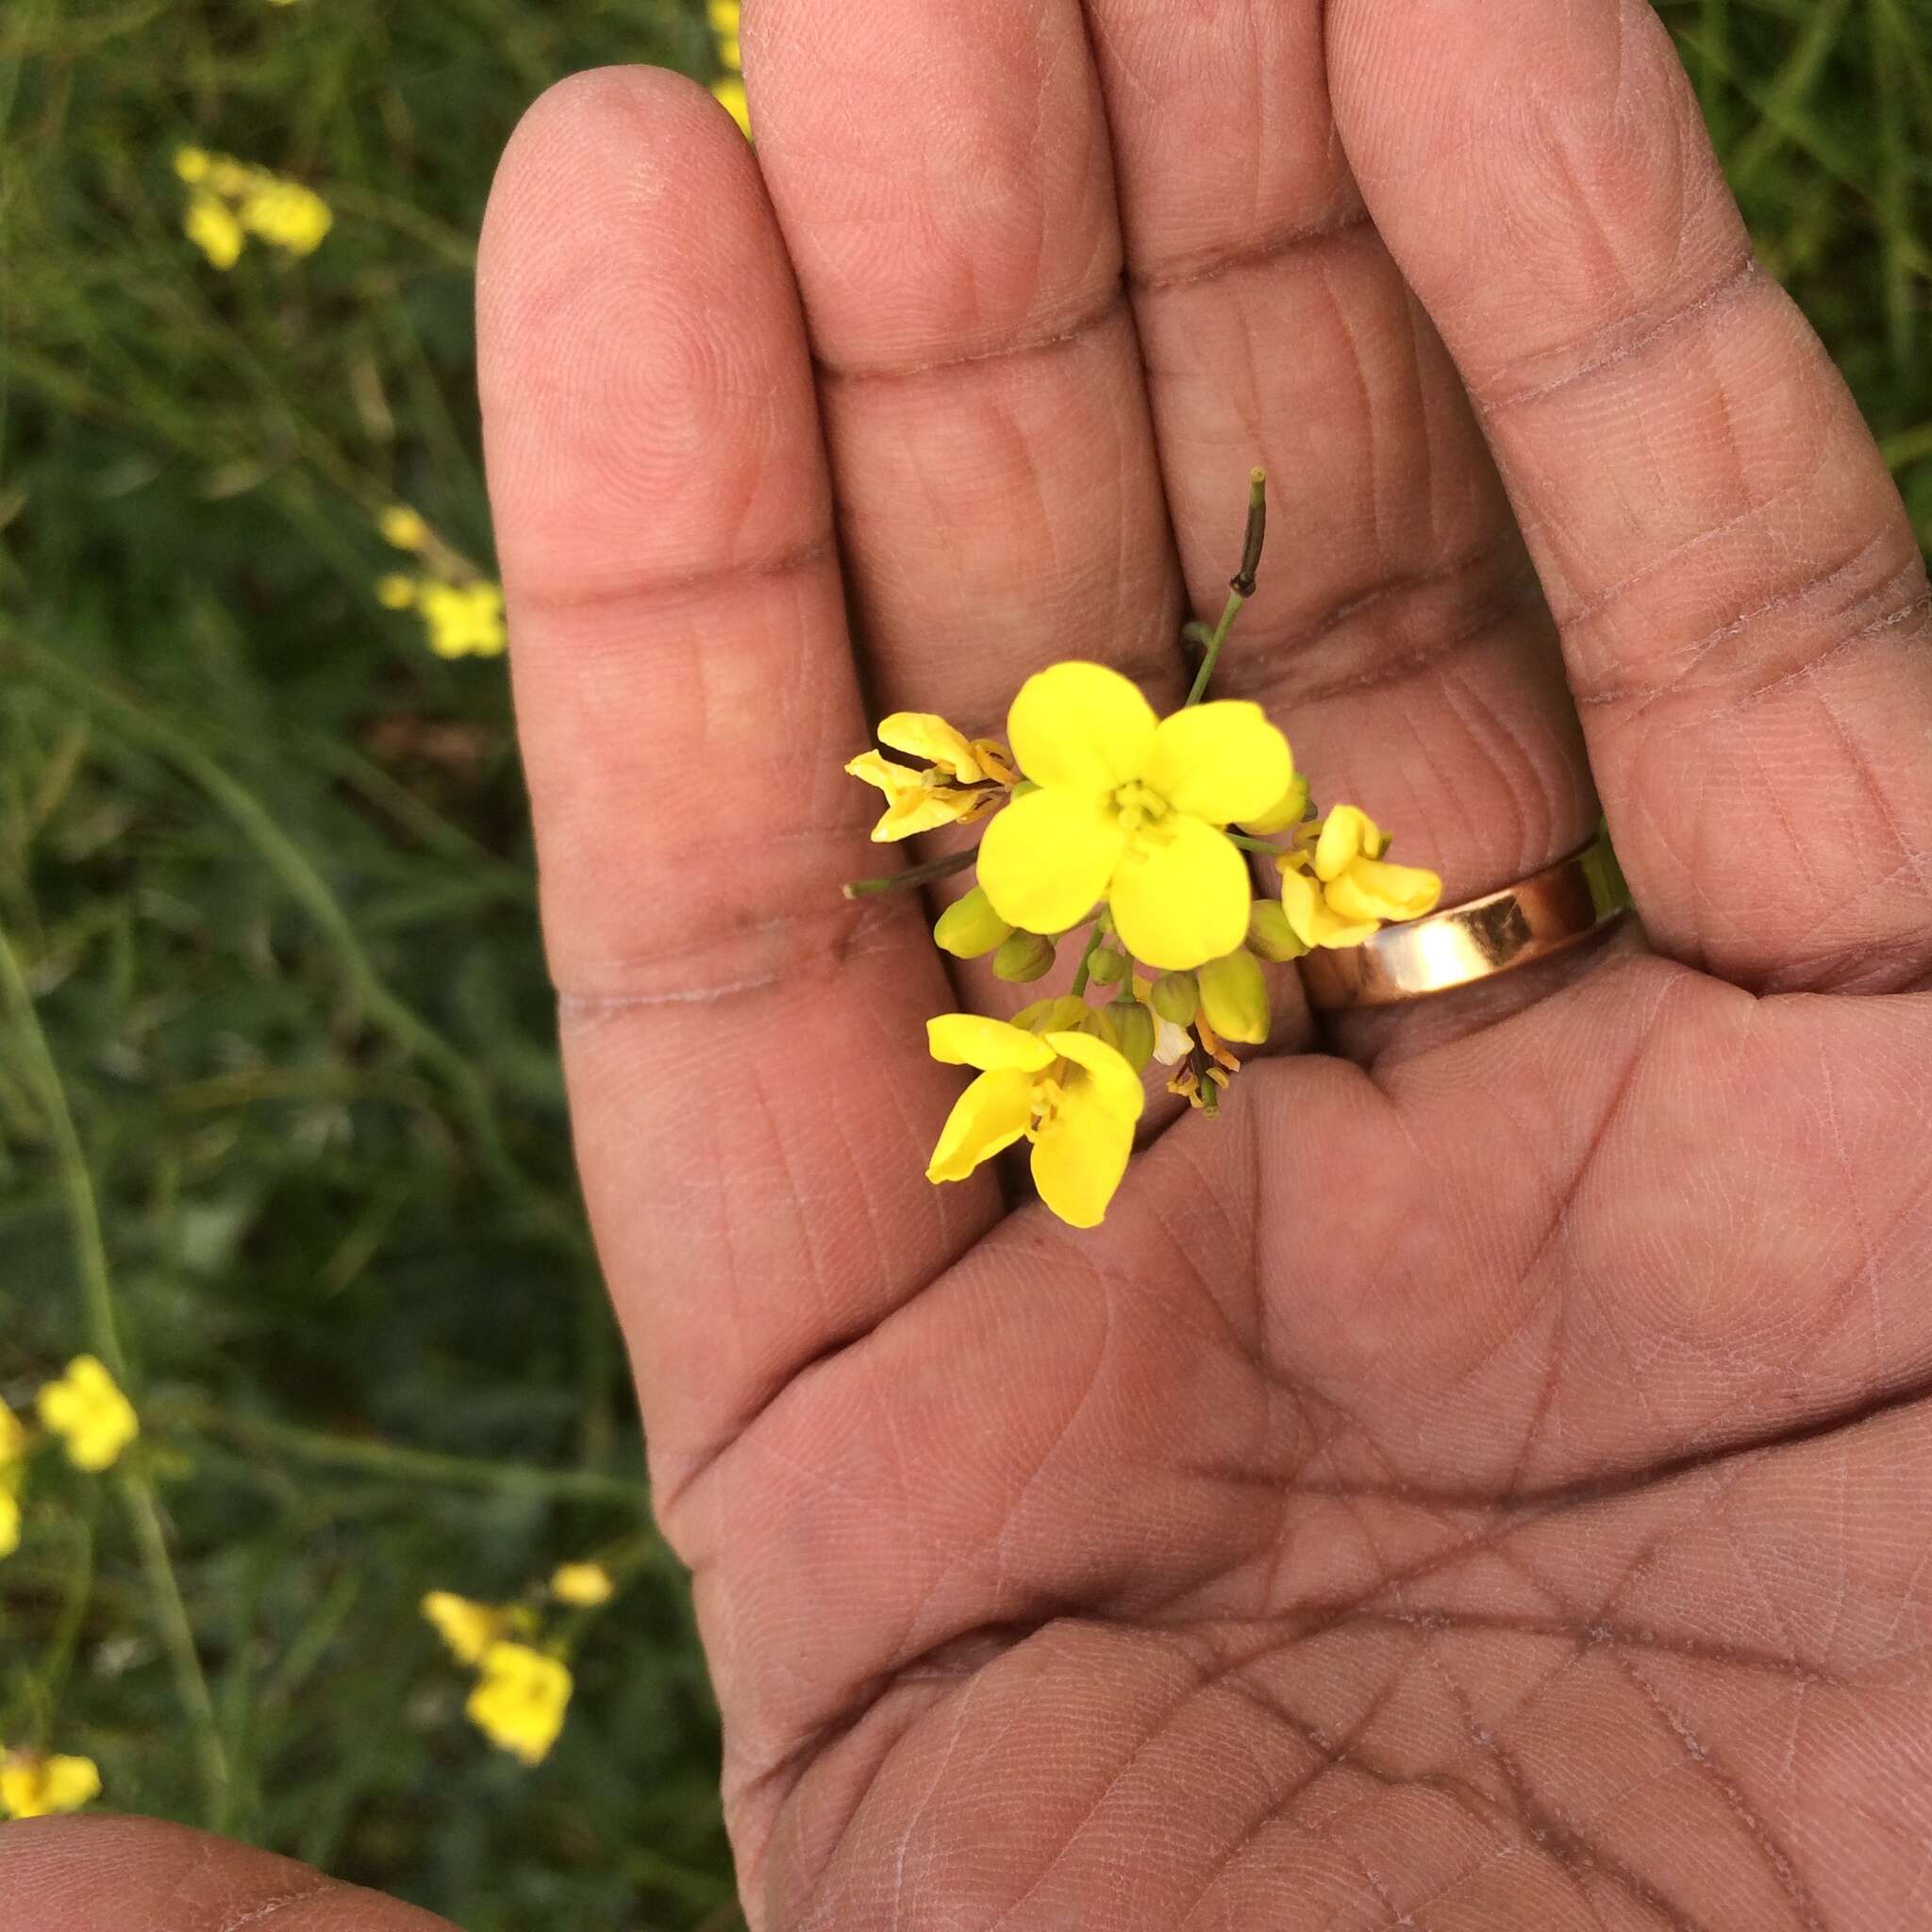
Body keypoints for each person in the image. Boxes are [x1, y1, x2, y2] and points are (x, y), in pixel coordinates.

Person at [9, 1, 1930, 1924]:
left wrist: (1212, 916)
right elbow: (1163, 847)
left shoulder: (1160, 828)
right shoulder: (1129, 841)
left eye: (1068, 1070)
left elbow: (1194, 827)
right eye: (1071, 1071)